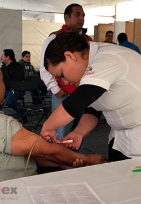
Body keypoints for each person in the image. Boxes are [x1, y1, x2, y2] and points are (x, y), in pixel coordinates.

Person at [0, 50, 106, 186]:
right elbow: (48, 151)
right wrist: (88, 160)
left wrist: (61, 164)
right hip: (26, 188)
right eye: (1, 80)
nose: (4, 85)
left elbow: (34, 152)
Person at [41, 32, 141, 162]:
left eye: (61, 75)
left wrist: (48, 127)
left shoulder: (107, 58)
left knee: (136, 180)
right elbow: (93, 109)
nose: (64, 82)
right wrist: (79, 132)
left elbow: (77, 102)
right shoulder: (91, 67)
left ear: (69, 56)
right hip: (121, 136)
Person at [40, 3, 93, 142]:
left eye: (83, 15)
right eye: (77, 15)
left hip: (82, 93)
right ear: (66, 18)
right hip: (63, 94)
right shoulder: (54, 38)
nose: (81, 18)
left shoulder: (87, 40)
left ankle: (76, 160)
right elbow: (45, 67)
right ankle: (61, 161)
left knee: (79, 133)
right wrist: (56, 89)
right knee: (59, 134)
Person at [0, 49, 27, 123]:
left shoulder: (17, 67)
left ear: (8, 57)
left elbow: (16, 82)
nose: (0, 57)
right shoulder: (3, 68)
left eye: (2, 55)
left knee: (10, 101)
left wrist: (3, 83)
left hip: (16, 90)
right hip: (5, 90)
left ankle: (23, 112)